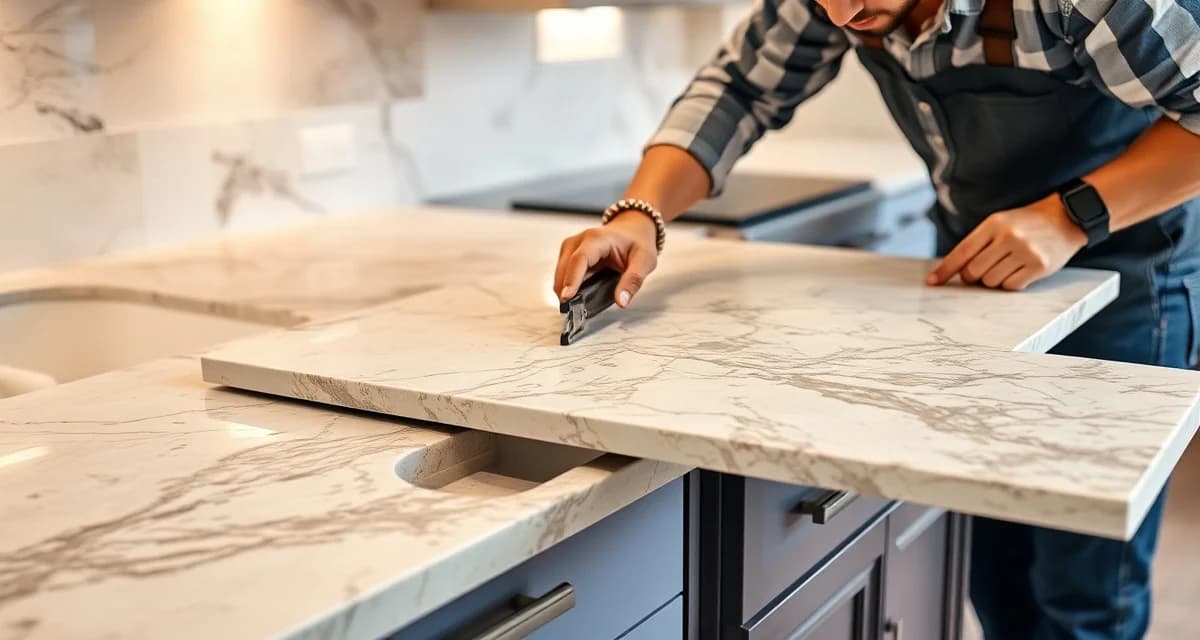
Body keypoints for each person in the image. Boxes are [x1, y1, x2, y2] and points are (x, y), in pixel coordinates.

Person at [551, 0, 1200, 637]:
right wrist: (641, 213)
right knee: (990, 569)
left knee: (1083, 596)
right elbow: (740, 89)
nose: (839, 13)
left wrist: (1071, 216)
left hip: (1127, 274)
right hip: (978, 287)